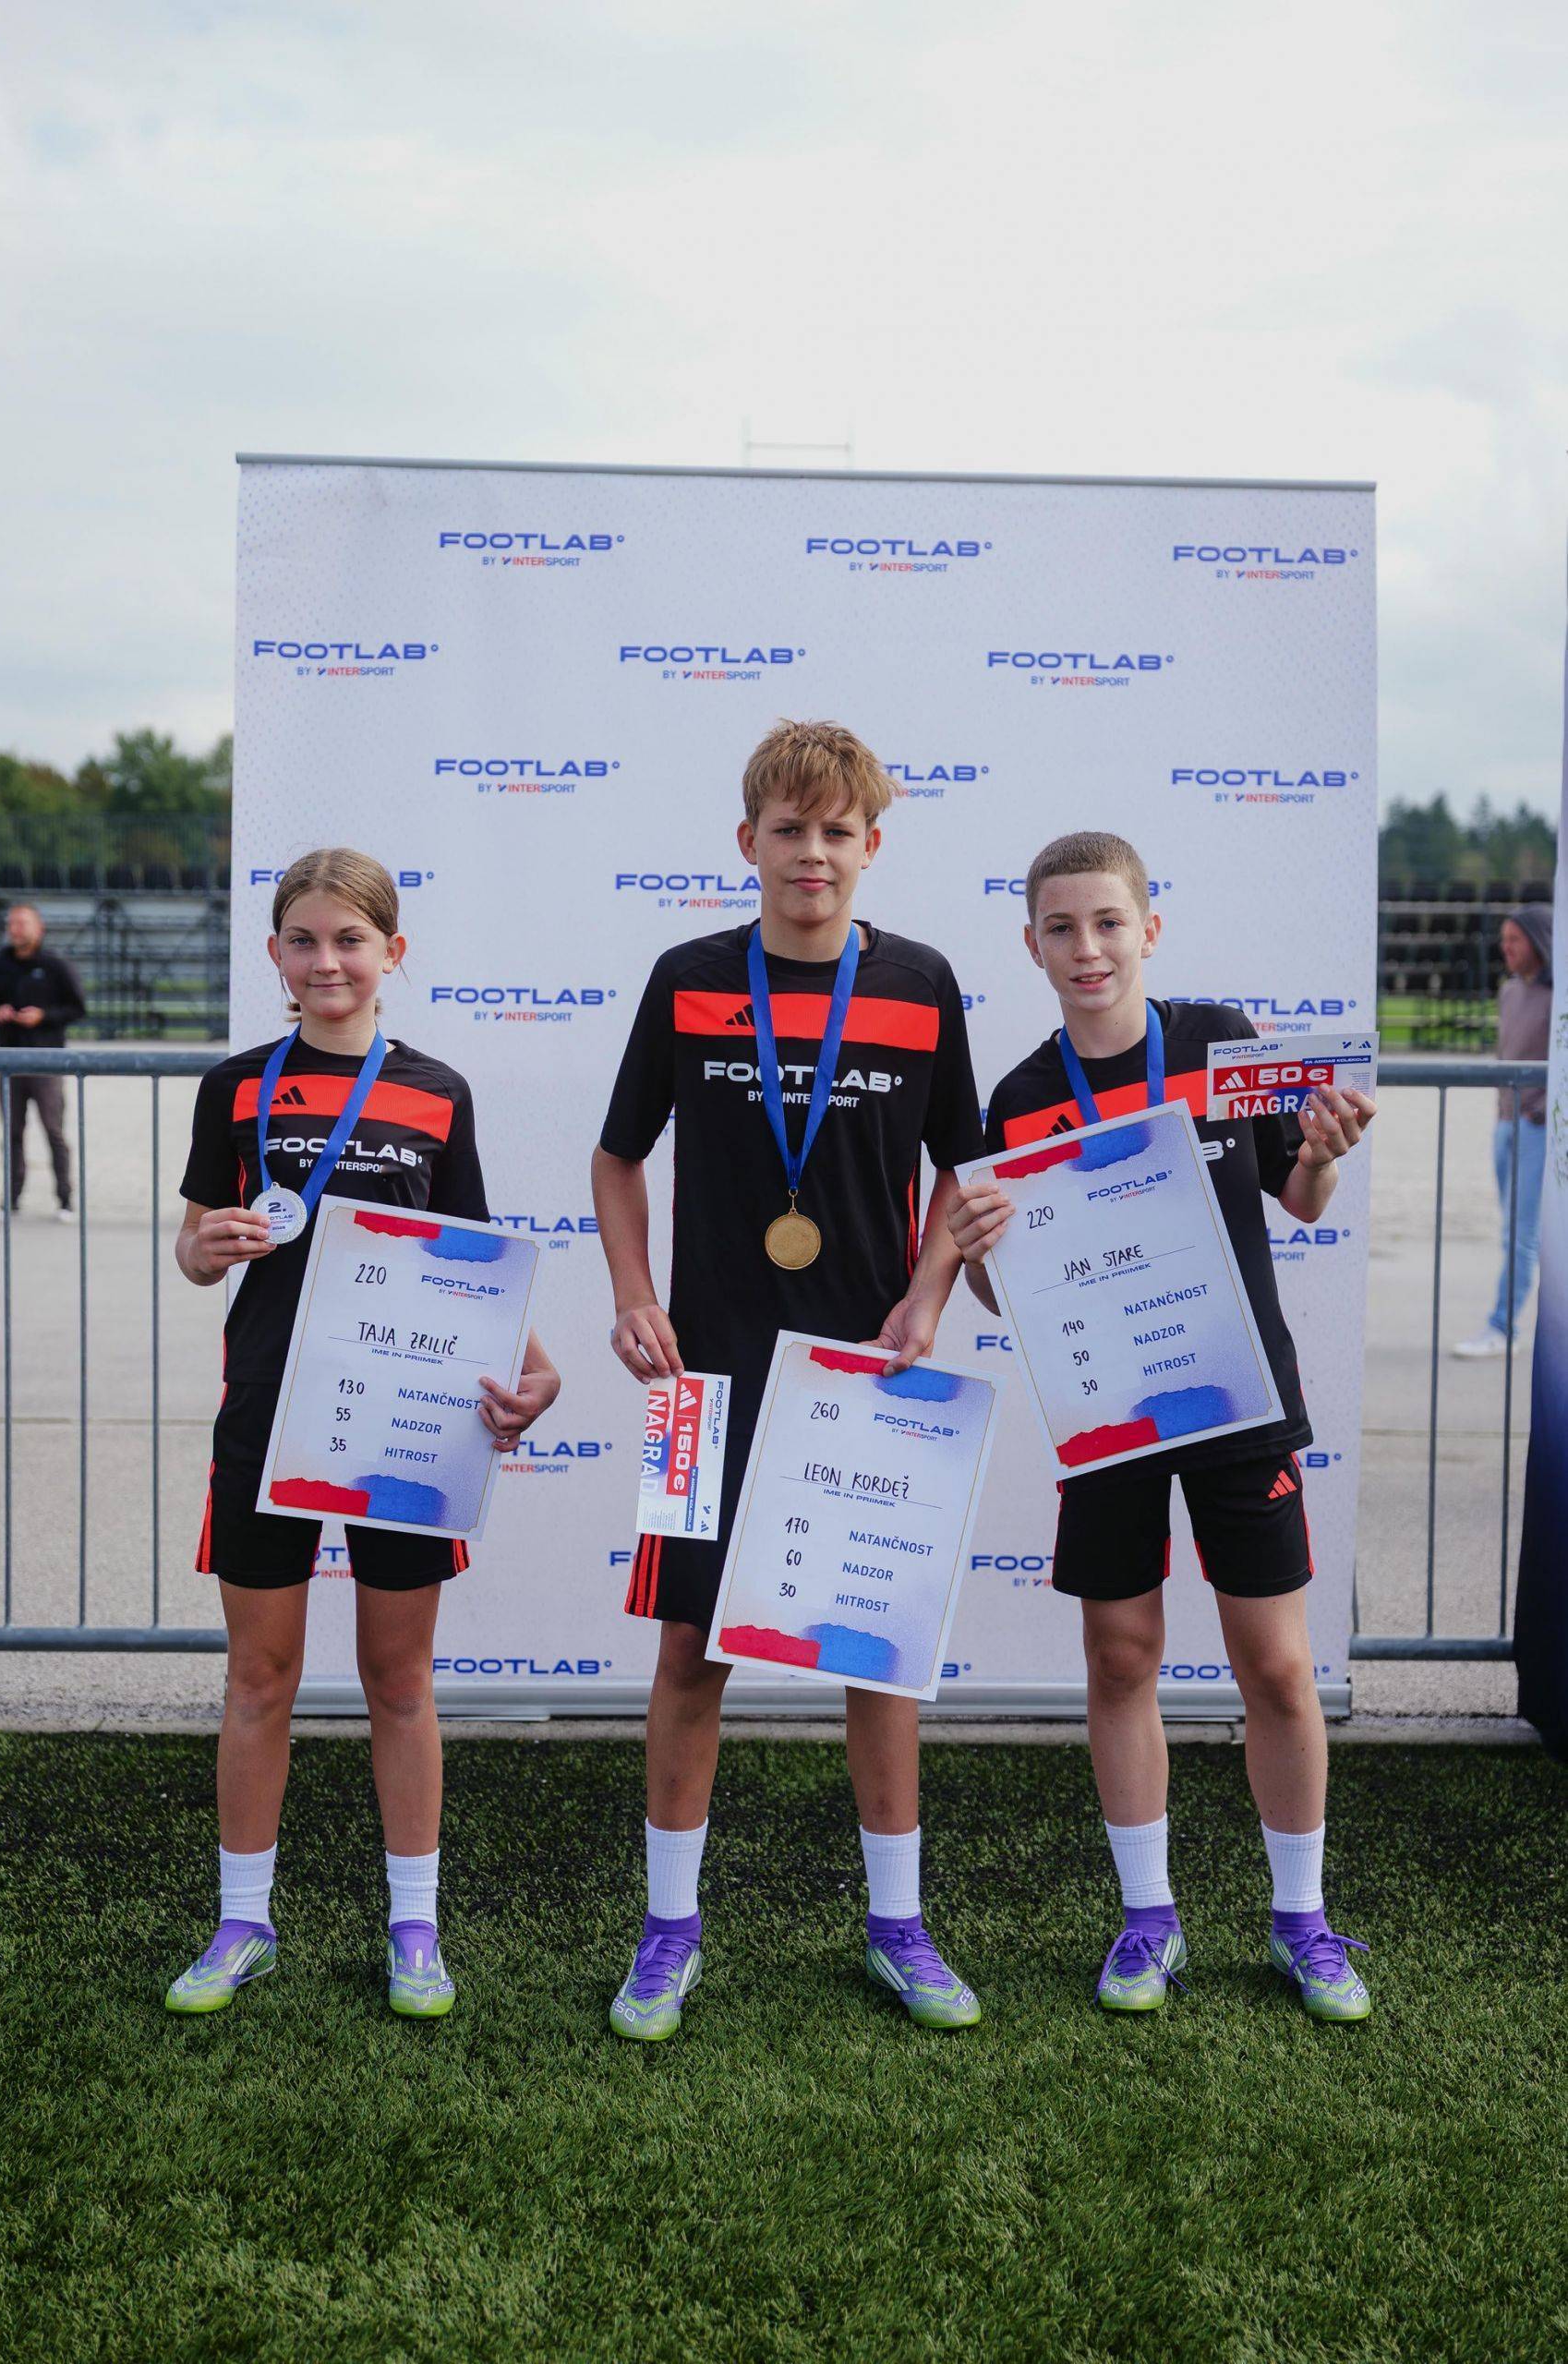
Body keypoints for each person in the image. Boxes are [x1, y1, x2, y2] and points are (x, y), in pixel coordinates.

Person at [592, 719, 986, 2041]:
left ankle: (897, 1925)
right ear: (746, 841)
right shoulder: (688, 978)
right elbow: (615, 1157)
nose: (811, 852)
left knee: (876, 1655)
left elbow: (963, 1170)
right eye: (787, 829)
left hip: (866, 1377)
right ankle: (668, 1929)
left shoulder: (922, 983)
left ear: (871, 846)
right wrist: (632, 1296)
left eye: (836, 832)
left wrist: (927, 1296)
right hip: (700, 1380)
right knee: (686, 1651)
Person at [949, 830, 1378, 2024]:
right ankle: (1148, 1916)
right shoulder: (1021, 1099)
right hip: (1110, 1412)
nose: (1086, 948)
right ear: (1030, 945)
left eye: (1106, 922)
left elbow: (1298, 1198)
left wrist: (1325, 1157)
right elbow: (1011, 1294)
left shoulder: (1216, 1042)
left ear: (1149, 927)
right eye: (1060, 927)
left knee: (1275, 1666)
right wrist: (977, 1259)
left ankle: (1300, 1919)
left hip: (1236, 1399)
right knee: (1121, 1656)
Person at [167, 848, 560, 2020]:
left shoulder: (438, 1091)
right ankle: (243, 1922)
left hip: (406, 1422)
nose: (326, 961)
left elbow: (472, 1265)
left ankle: (415, 1926)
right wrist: (206, 1248)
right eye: (304, 939)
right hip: (269, 1413)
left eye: (350, 939)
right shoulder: (237, 1086)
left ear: (394, 951)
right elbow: (194, 1245)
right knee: (260, 1675)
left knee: (399, 1676)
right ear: (274, 953)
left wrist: (534, 1367)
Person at [1452, 904, 1553, 1359]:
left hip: (1537, 1129)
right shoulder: (1510, 992)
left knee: (1521, 1233)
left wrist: (1539, 1114)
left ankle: (1501, 1325)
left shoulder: (1558, 997)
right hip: (1506, 1125)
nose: (1505, 947)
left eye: (1515, 939)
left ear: (1538, 941)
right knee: (1515, 1230)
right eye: (1504, 938)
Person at [0, 900, 86, 1222]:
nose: (16, 929)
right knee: (12, 1133)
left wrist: (43, 1016)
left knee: (53, 1131)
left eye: (22, 923)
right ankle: (11, 1199)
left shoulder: (55, 965)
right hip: (9, 1064)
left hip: (47, 1064)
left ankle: (65, 1199)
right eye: (12, 923)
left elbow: (77, 1008)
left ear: (39, 928)